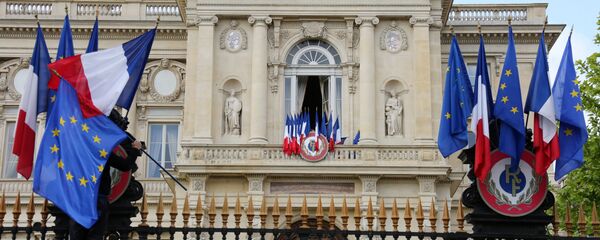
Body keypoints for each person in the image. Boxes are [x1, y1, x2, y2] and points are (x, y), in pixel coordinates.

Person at [68, 109, 142, 240]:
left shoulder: (78, 146)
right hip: (98, 199)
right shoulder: (100, 150)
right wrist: (135, 150)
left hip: (78, 199)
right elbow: (125, 166)